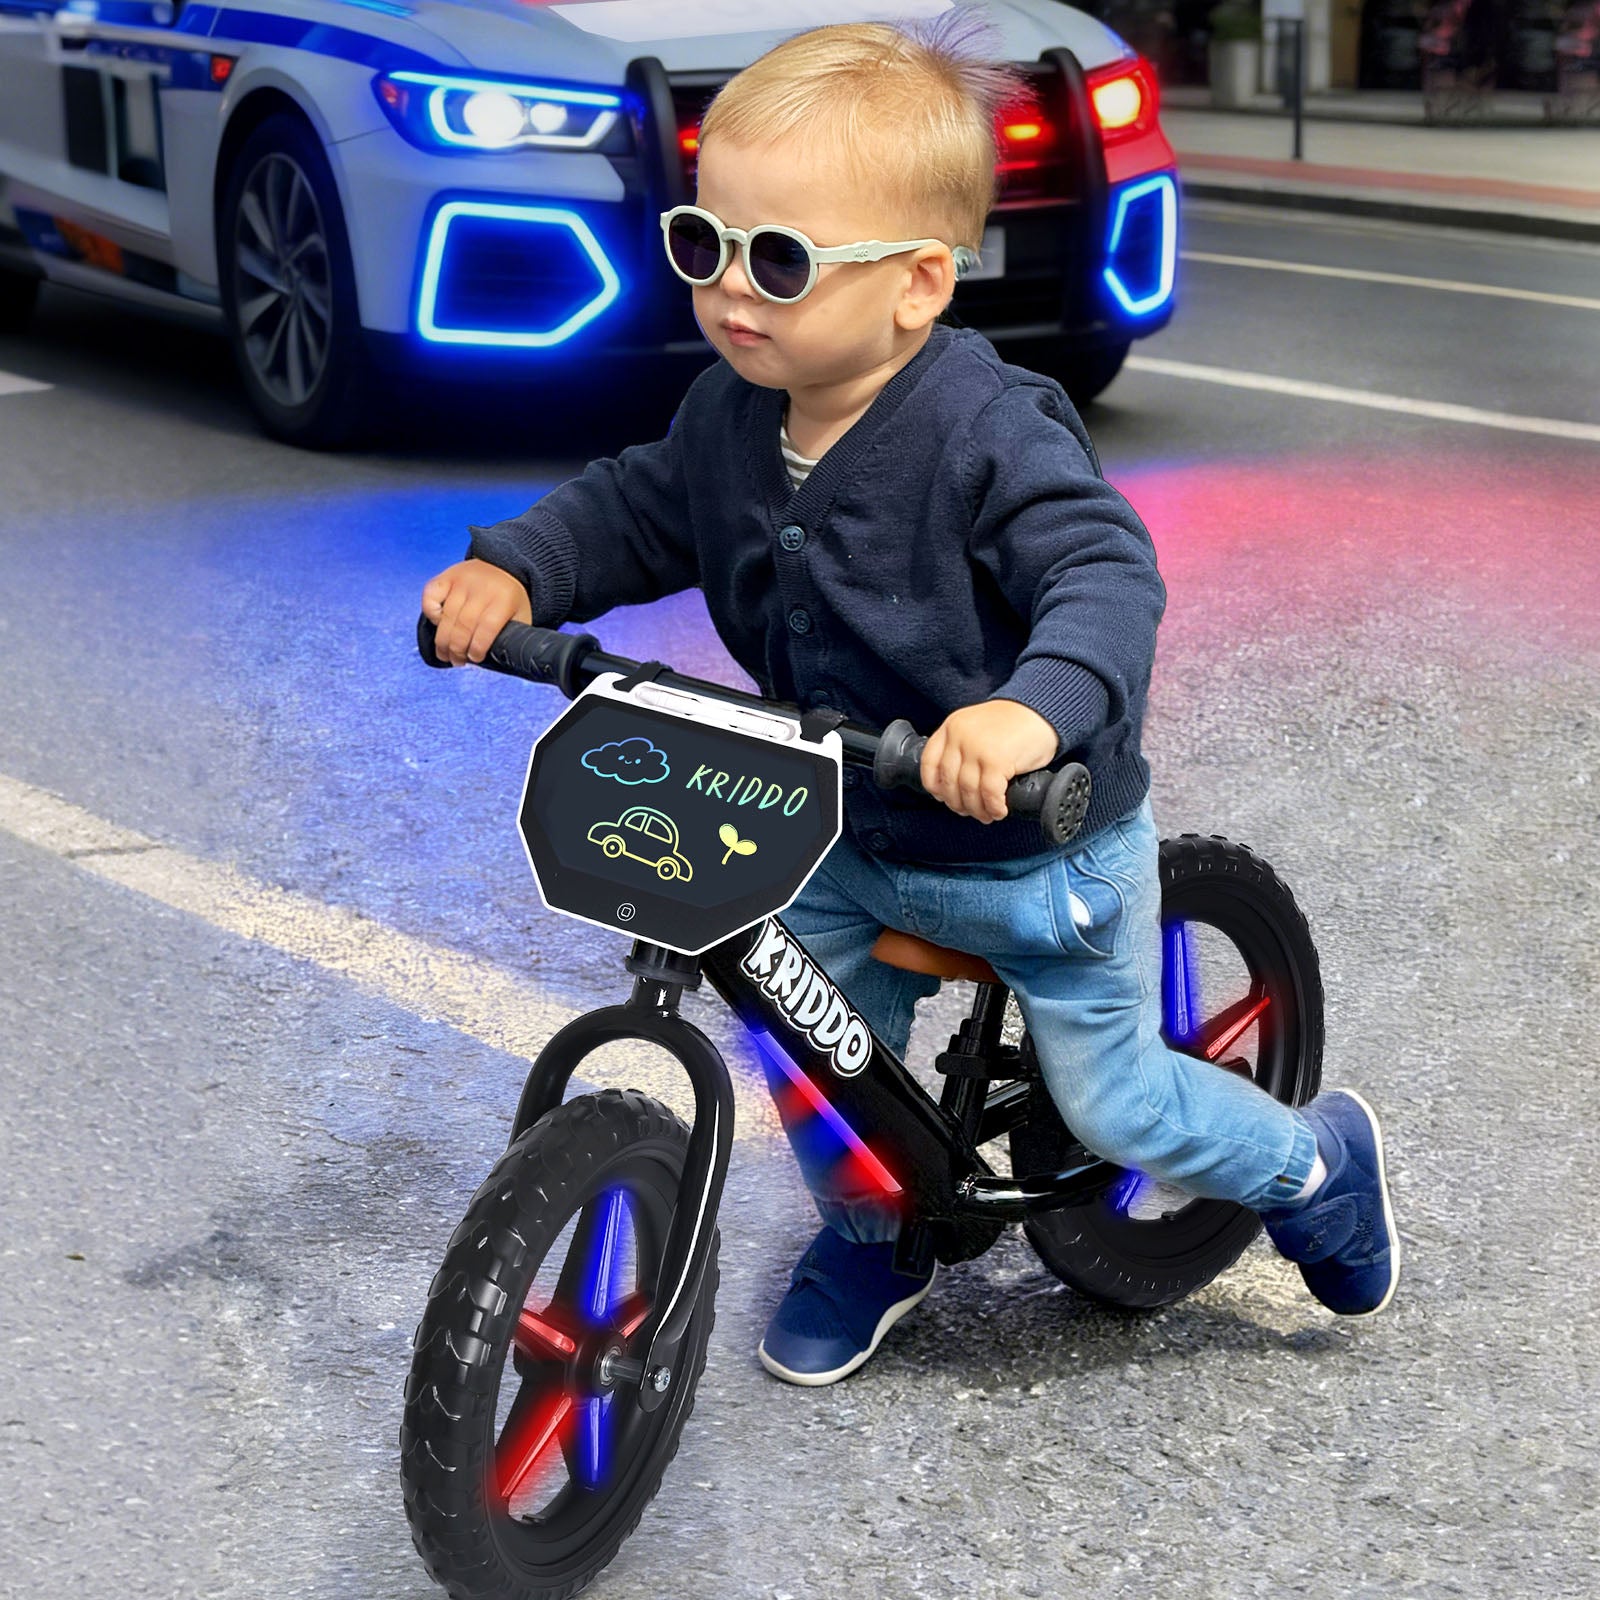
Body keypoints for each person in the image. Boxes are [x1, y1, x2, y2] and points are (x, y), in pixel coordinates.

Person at [422, 7, 1400, 1387]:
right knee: (809, 1049)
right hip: (840, 820)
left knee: (1117, 1099)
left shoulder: (989, 431)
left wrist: (1030, 712)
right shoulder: (726, 416)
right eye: (701, 244)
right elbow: (634, 510)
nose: (729, 292)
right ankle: (873, 1231)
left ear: (918, 286)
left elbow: (1104, 579)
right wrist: (518, 572)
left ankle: (1314, 1166)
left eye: (777, 260)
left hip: (1032, 845)